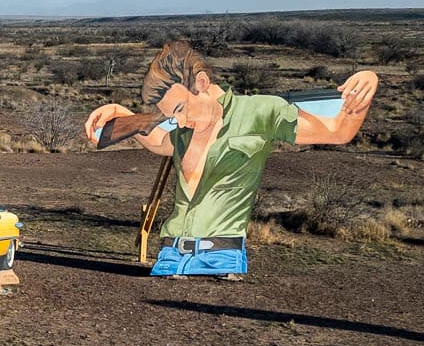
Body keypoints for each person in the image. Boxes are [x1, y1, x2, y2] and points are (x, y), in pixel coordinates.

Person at [84, 41, 379, 278]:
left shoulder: (261, 111)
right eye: (172, 115)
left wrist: (368, 80)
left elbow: (336, 131)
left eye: (181, 109)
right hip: (169, 259)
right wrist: (122, 114)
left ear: (201, 82)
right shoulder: (183, 132)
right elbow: (160, 141)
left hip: (221, 262)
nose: (180, 121)